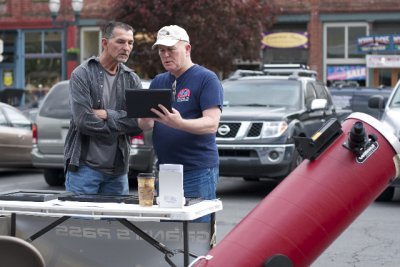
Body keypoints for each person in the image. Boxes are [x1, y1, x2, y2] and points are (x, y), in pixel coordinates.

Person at [139, 25, 223, 222]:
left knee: (197, 232)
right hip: (166, 169)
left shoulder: (206, 79)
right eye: (162, 51)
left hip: (197, 169)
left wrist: (179, 123)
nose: (166, 55)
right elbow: (146, 126)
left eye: (171, 49)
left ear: (187, 49)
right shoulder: (158, 81)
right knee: (169, 230)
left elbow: (211, 124)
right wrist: (143, 118)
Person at [64, 21, 143, 195]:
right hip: (84, 168)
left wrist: (108, 114)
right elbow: (83, 121)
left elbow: (138, 123)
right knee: (80, 222)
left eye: (130, 43)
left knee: (116, 223)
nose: (126, 47)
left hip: (118, 171)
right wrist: (123, 121)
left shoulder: (132, 79)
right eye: (121, 41)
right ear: (105, 43)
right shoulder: (82, 74)